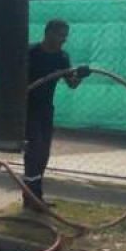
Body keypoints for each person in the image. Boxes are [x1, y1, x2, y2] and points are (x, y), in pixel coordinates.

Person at [24, 19, 89, 210]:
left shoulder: (62, 57)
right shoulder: (31, 53)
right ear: (48, 33)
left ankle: (34, 197)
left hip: (45, 109)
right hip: (28, 108)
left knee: (43, 153)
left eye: (65, 36)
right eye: (60, 35)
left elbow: (72, 83)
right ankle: (32, 198)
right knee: (34, 152)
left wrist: (80, 75)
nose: (63, 40)